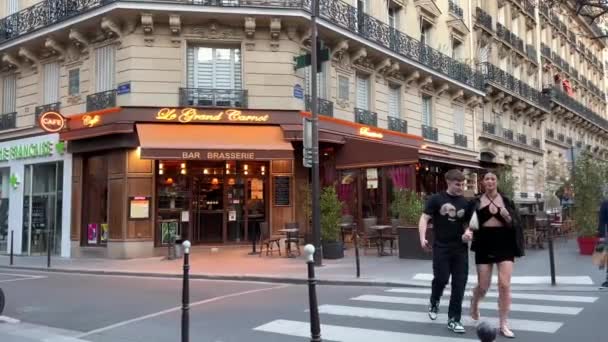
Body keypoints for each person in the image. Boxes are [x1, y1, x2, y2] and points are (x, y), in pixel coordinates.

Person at [468, 171, 525, 339]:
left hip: (504, 243)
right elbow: (470, 223)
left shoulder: (507, 201)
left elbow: (516, 224)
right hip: (484, 243)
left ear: (497, 181)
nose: (490, 181)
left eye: (493, 178)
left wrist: (508, 218)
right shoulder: (476, 202)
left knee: (504, 285)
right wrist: (468, 232)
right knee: (484, 286)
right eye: (487, 179)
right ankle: (475, 300)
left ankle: (503, 324)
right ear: (483, 182)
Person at [418, 169, 472, 334]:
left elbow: (469, 224)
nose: (461, 187)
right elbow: (424, 218)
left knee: (459, 284)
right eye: (458, 184)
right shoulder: (436, 199)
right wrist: (422, 238)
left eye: (463, 184)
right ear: (448, 182)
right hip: (441, 247)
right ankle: (435, 300)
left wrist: (468, 233)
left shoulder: (465, 202)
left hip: (460, 250)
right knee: (441, 279)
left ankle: (454, 319)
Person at [598, 198, 608, 288]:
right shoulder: (605, 203)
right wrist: (601, 235)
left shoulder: (605, 203)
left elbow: (601, 220)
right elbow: (601, 220)